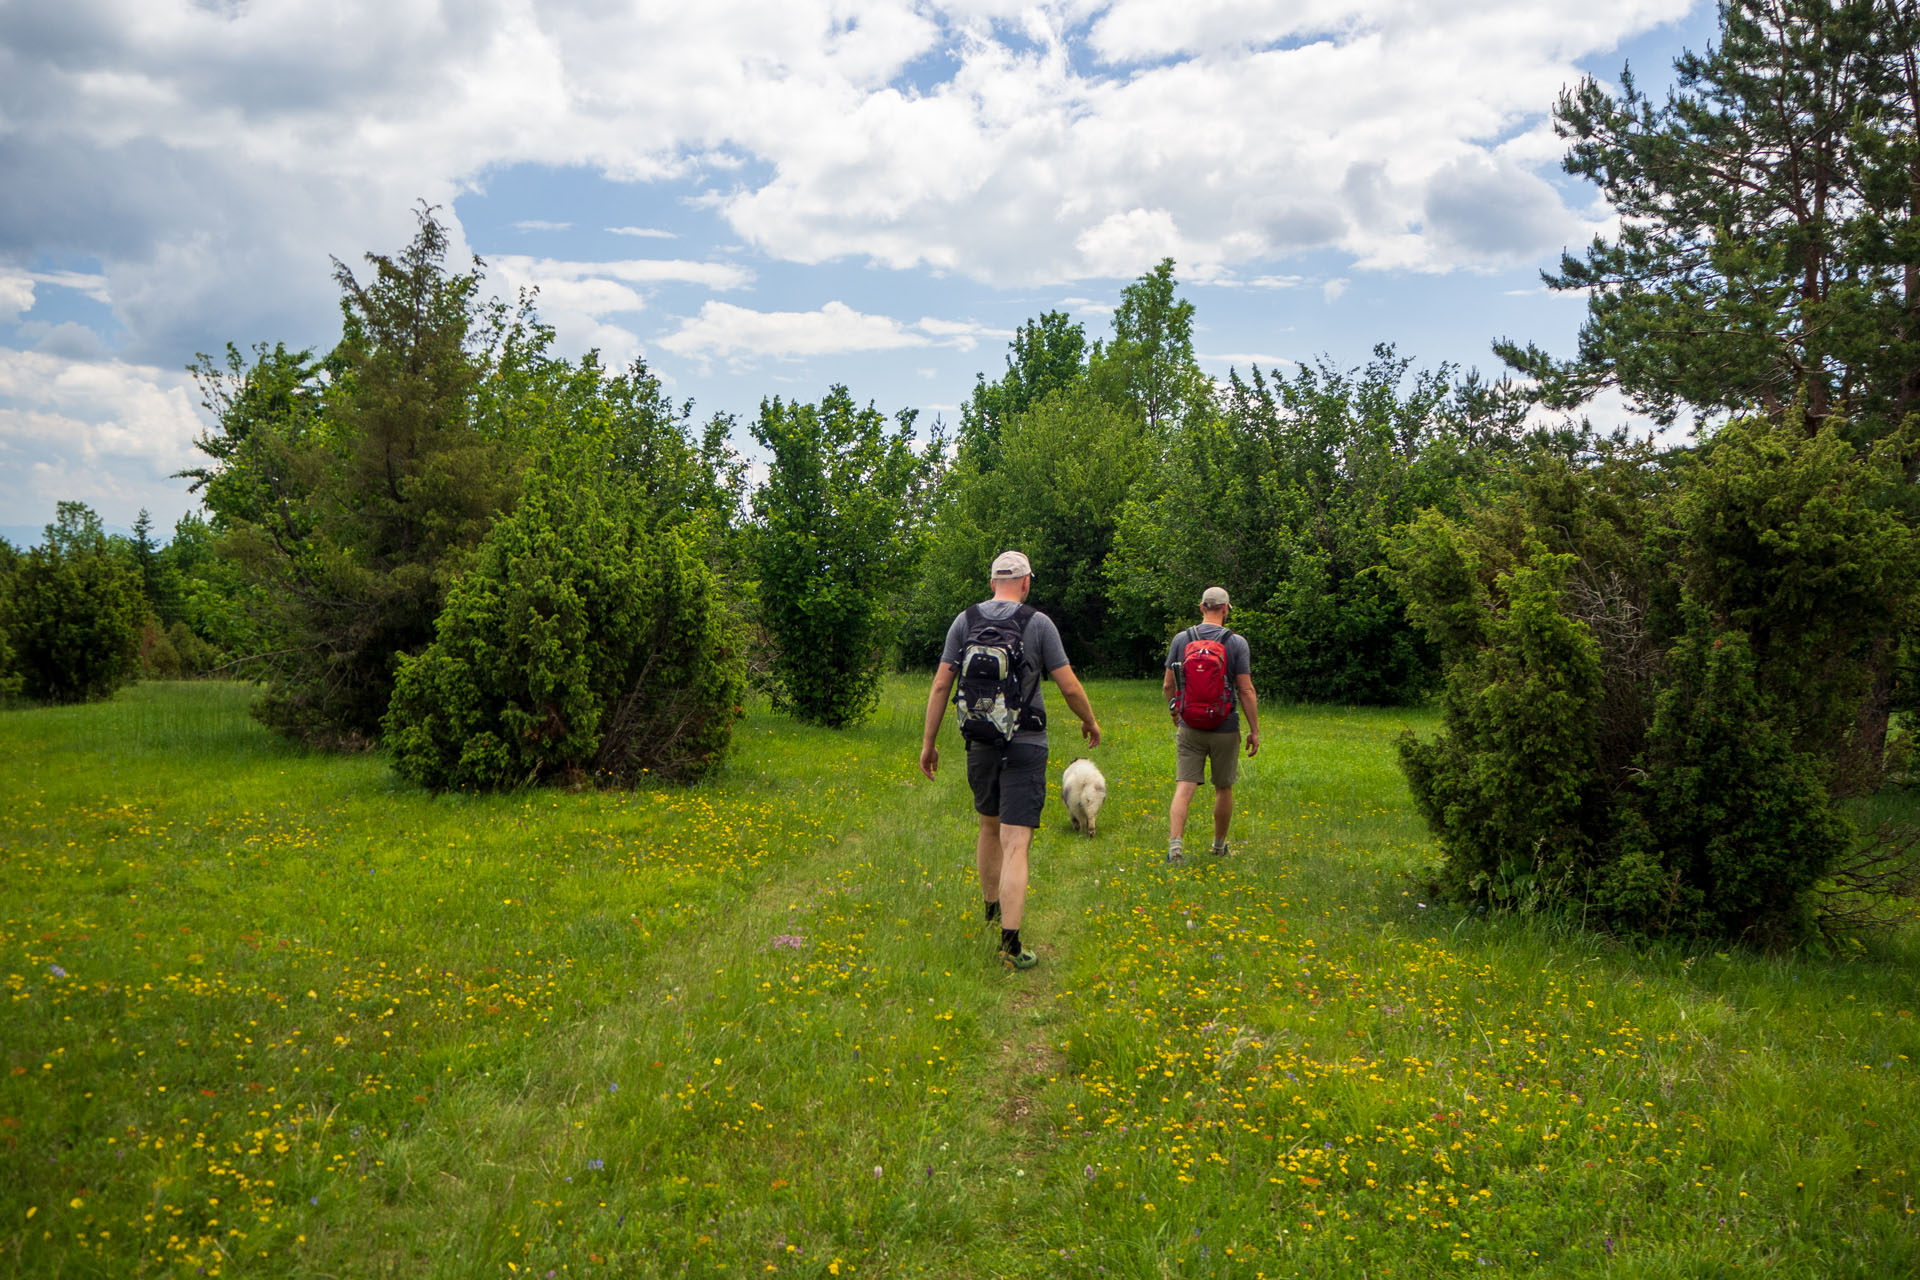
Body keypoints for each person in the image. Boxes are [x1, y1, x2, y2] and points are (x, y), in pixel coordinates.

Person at [920, 550, 1102, 970]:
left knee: (988, 826)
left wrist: (929, 743)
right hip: (1026, 742)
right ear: (1025, 583)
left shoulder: (964, 621)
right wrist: (1090, 722)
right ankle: (1011, 946)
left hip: (980, 740)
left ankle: (990, 914)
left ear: (991, 583)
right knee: (1016, 841)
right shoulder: (1038, 623)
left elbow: (940, 686)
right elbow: (1069, 686)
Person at [1163, 586, 1259, 864]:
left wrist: (1174, 711)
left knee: (1184, 786)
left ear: (1201, 607)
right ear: (1226, 609)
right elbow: (1246, 690)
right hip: (1225, 725)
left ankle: (1175, 848)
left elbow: (1169, 684)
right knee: (1223, 787)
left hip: (1190, 724)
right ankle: (1218, 847)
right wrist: (1254, 730)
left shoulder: (1182, 640)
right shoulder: (1236, 643)